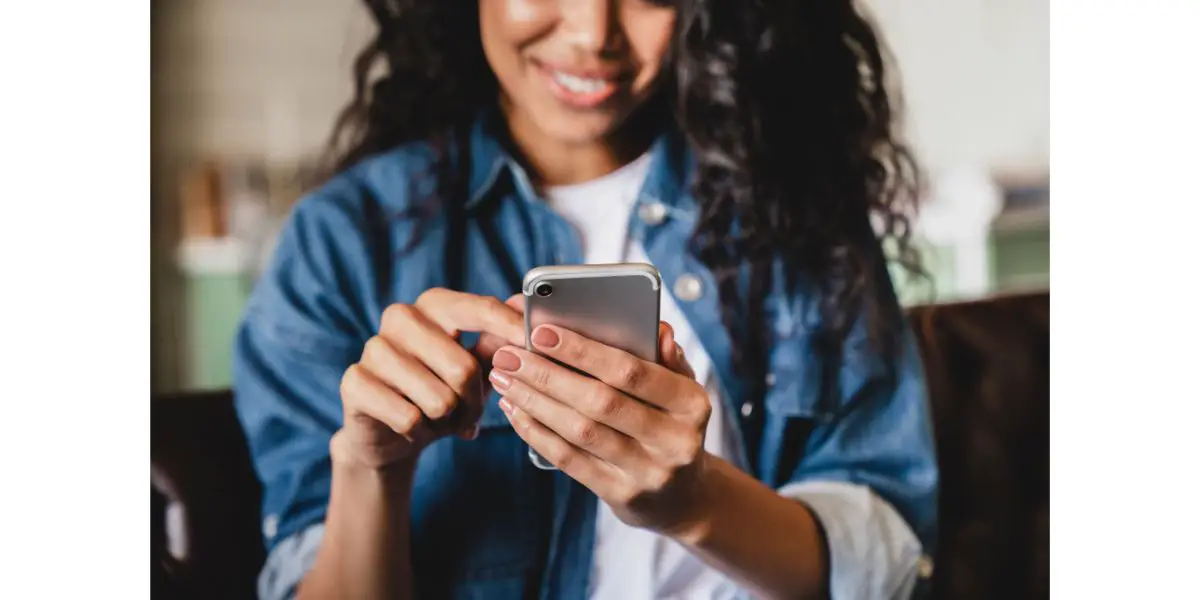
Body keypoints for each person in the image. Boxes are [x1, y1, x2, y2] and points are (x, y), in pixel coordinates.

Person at [232, 0, 938, 598]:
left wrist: (693, 504)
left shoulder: (794, 209)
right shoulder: (344, 242)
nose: (593, 33)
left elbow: (885, 557)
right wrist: (371, 469)